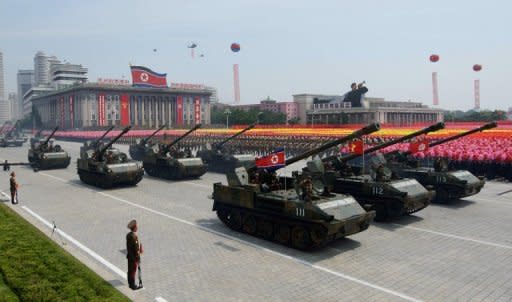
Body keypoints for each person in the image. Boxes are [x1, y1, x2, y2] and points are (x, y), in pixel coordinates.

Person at [126, 219, 143, 290]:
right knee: (133, 271)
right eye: (136, 226)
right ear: (135, 227)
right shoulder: (134, 237)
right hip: (134, 258)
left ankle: (130, 283)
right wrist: (138, 257)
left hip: (129, 256)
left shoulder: (128, 235)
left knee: (130, 270)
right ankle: (133, 285)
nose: (137, 227)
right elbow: (136, 250)